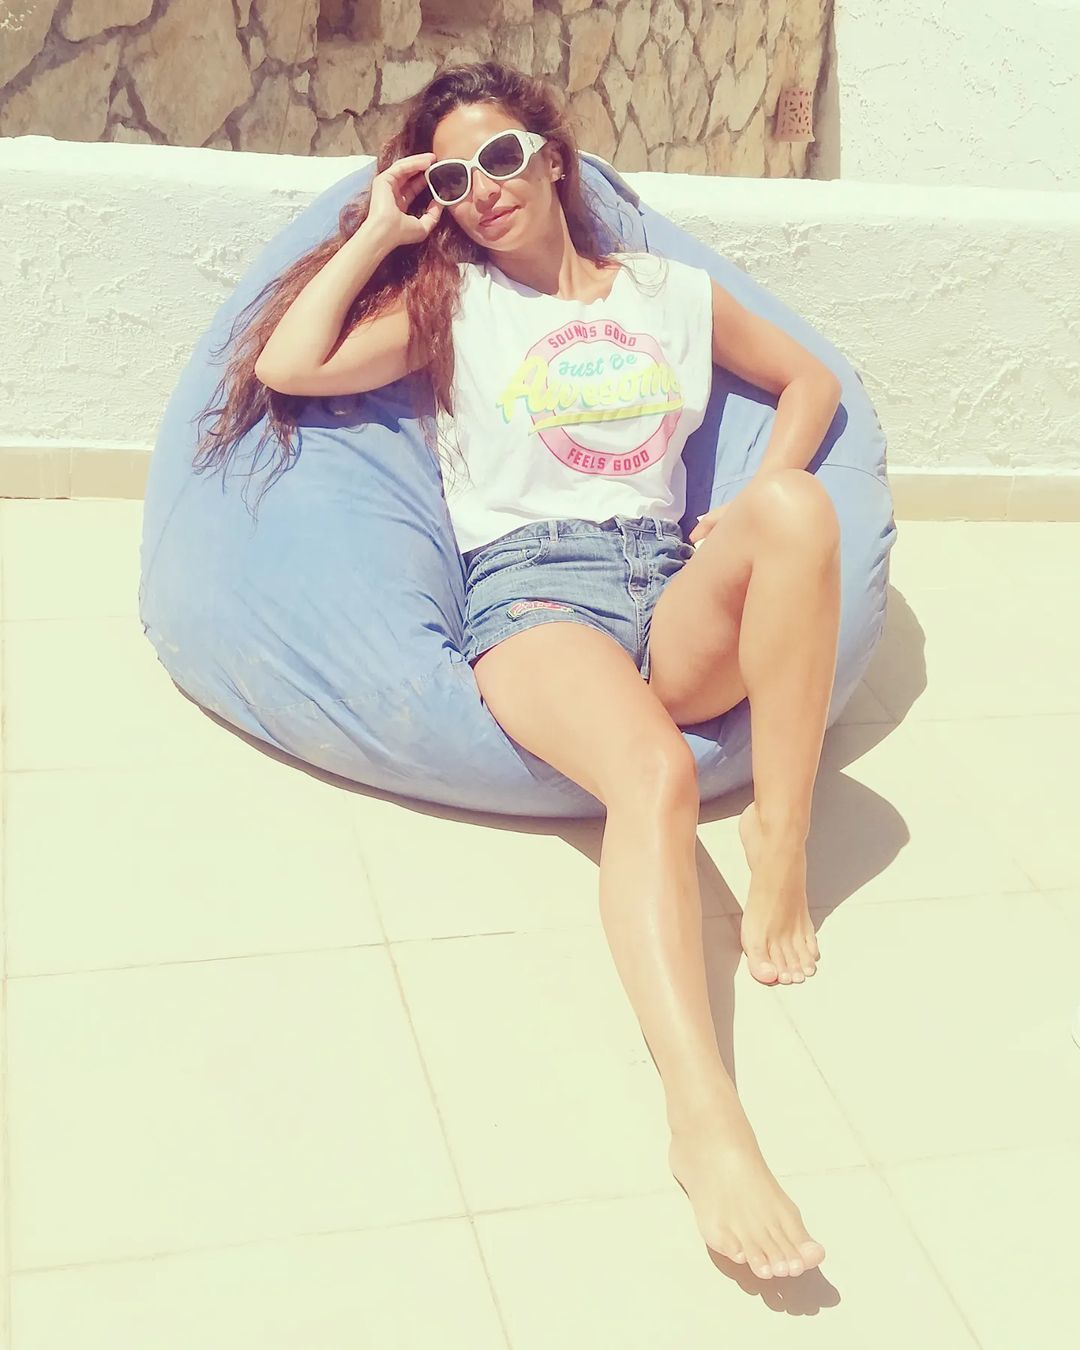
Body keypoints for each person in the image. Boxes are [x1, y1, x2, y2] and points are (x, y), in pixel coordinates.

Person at [206, 61, 844, 1282]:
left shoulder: (666, 292)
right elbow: (290, 365)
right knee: (653, 777)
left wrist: (752, 496)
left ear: (552, 158)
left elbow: (810, 380)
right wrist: (383, 228)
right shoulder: (455, 309)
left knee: (803, 513)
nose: (483, 190)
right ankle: (705, 1121)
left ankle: (784, 846)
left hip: (666, 577)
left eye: (500, 158)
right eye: (453, 178)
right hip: (536, 592)